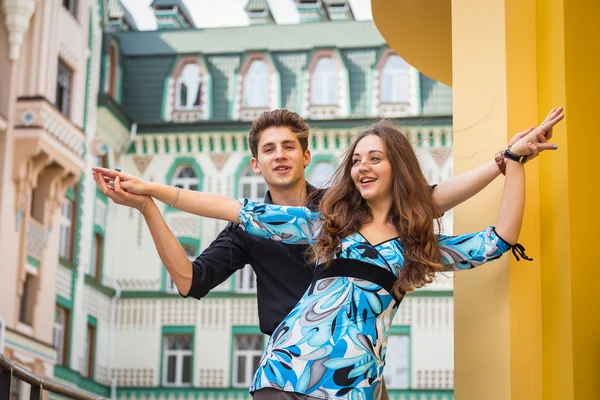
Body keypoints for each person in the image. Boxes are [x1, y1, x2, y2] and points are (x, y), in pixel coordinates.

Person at [92, 109, 563, 399]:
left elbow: (490, 234)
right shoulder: (324, 225)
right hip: (285, 374)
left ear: (305, 155)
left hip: (352, 385)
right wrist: (149, 192)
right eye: (356, 160)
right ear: (256, 163)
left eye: (374, 158)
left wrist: (512, 162)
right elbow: (232, 212)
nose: (362, 167)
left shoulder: (393, 237)